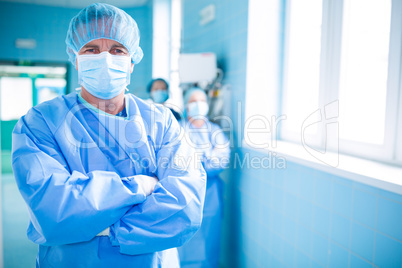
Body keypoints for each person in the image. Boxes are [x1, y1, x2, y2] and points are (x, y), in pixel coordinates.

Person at [11, 3, 206, 267]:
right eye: (91, 49)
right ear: (76, 59)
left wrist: (96, 226)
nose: (105, 58)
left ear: (132, 61)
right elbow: (54, 211)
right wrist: (143, 185)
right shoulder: (40, 123)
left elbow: (184, 208)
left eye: (117, 50)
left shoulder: (161, 122)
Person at [178, 88, 230, 267]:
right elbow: (177, 162)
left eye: (202, 101)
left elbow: (221, 161)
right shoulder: (178, 129)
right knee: (184, 240)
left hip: (210, 196)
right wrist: (207, 155)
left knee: (209, 239)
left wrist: (195, 159)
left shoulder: (215, 131)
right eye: (193, 101)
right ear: (186, 105)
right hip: (184, 194)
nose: (198, 105)